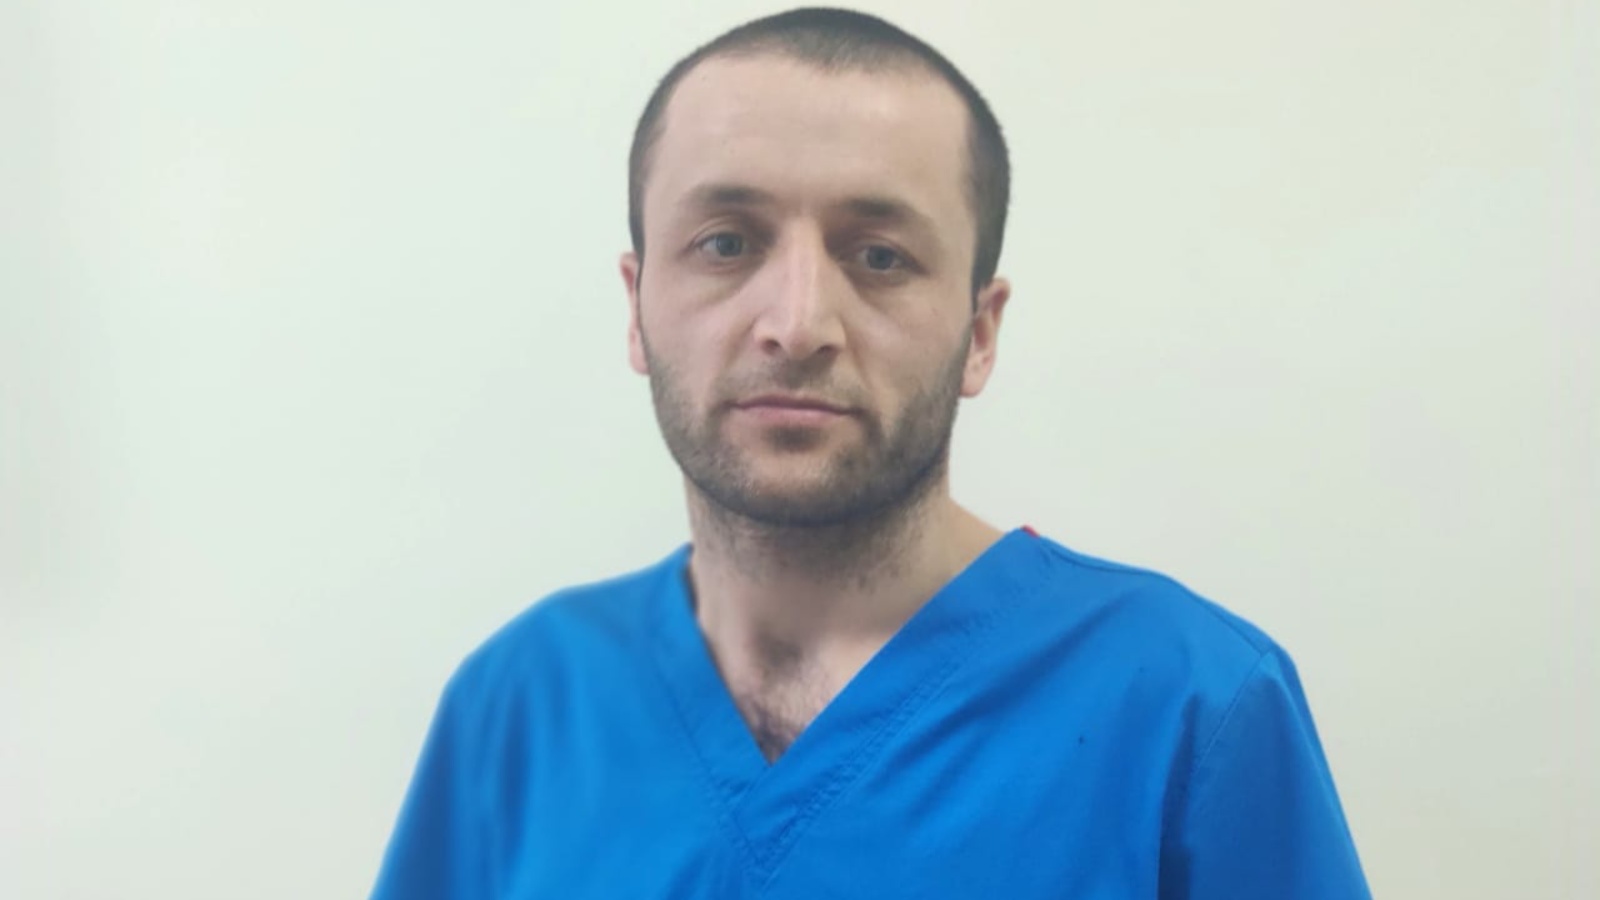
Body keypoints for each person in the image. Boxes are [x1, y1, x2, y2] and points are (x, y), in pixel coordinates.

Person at [369, 7, 1371, 898]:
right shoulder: (521, 703)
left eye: (879, 257)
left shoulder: (1186, 705)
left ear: (980, 332)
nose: (798, 323)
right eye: (726, 243)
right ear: (635, 307)